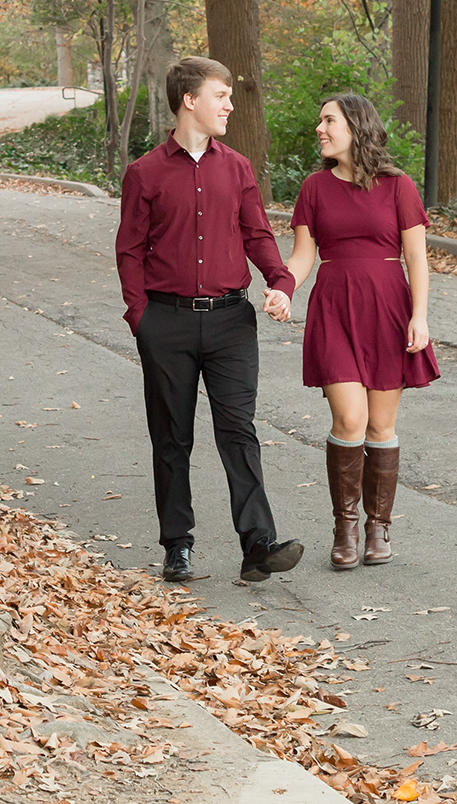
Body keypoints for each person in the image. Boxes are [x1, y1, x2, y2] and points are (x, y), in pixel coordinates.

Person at [116, 57, 303, 584]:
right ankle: (177, 545)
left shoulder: (237, 167)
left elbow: (258, 235)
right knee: (172, 437)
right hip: (166, 322)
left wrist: (280, 282)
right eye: (220, 95)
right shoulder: (145, 173)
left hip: (230, 323)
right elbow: (129, 250)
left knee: (238, 431)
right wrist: (140, 317)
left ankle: (258, 545)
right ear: (189, 100)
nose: (229, 105)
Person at [278, 93, 438, 570]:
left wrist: (420, 315)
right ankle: (345, 525)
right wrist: (284, 288)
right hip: (334, 309)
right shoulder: (314, 188)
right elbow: (304, 254)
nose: (320, 129)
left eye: (328, 120)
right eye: (320, 120)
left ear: (355, 126)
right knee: (349, 420)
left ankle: (378, 527)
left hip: (388, 308)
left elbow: (417, 258)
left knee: (380, 425)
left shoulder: (398, 186)